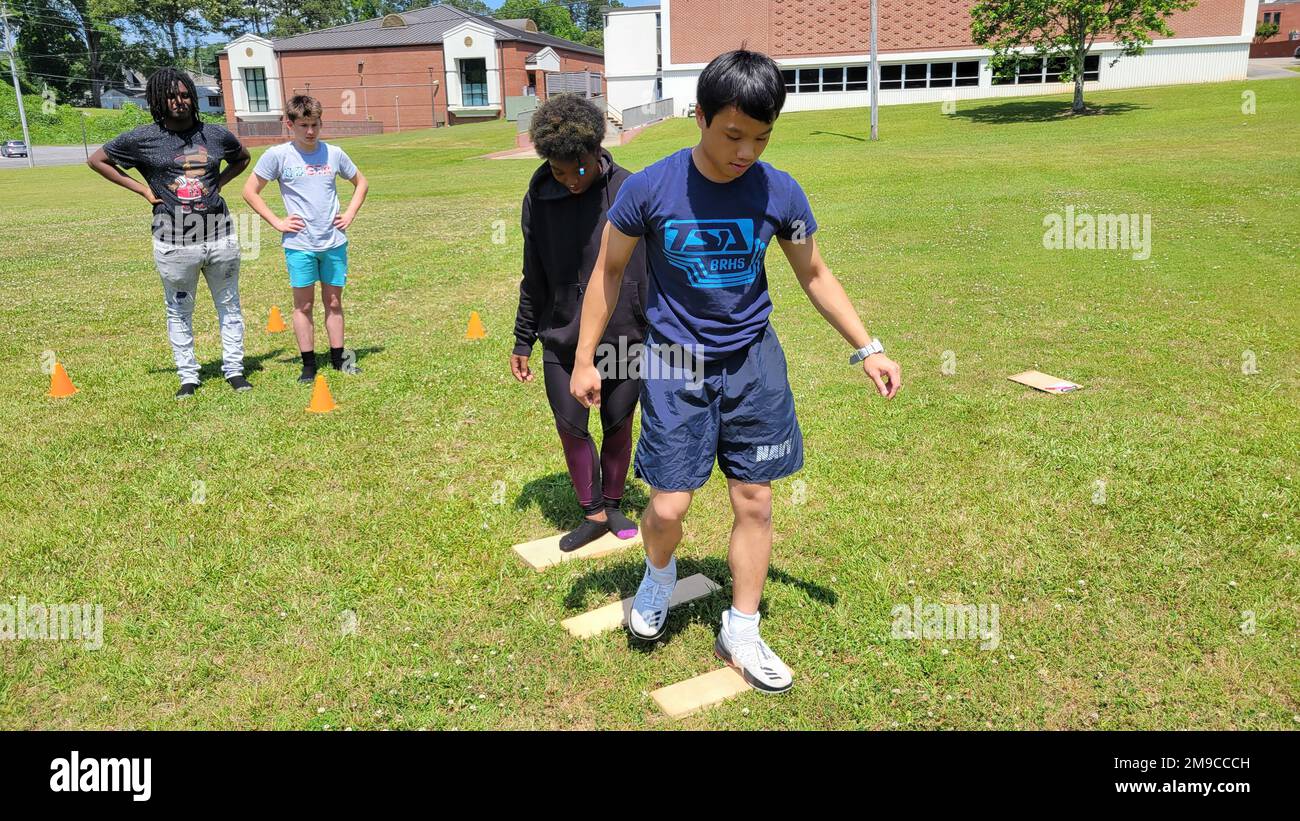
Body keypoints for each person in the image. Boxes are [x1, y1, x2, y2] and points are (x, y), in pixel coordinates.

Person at [569, 50, 903, 693]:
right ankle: (659, 574)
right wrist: (586, 359)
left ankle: (741, 627)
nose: (746, 151)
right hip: (676, 363)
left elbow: (814, 273)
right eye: (732, 135)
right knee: (667, 504)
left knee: (755, 498)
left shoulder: (779, 190)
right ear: (699, 117)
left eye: (761, 137)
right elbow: (607, 272)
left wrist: (869, 347)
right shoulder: (650, 189)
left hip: (754, 363)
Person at [512, 94, 650, 551]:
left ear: (596, 150)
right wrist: (523, 338)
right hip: (561, 334)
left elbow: (655, 268)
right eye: (559, 171)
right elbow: (533, 272)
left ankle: (612, 505)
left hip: (623, 335)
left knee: (617, 422)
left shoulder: (629, 189)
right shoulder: (539, 198)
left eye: (580, 169)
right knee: (570, 423)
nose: (570, 180)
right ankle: (591, 513)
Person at [88, 67, 252, 398]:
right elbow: (98, 160)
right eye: (171, 95)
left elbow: (242, 158)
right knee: (179, 309)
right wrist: (144, 191)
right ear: (158, 100)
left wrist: (218, 184)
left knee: (229, 304)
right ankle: (188, 375)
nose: (179, 100)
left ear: (193, 97)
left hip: (220, 235)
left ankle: (234, 371)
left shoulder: (215, 135)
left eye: (185, 94)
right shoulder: (142, 138)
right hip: (174, 242)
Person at [243, 94, 369, 383]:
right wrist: (277, 221)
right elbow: (250, 191)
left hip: (333, 242)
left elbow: (361, 182)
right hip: (300, 245)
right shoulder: (278, 156)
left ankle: (339, 360)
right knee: (304, 305)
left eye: (315, 124)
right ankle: (309, 365)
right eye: (304, 125)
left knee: (334, 302)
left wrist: (349, 213)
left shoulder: (334, 153)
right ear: (290, 124)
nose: (310, 132)